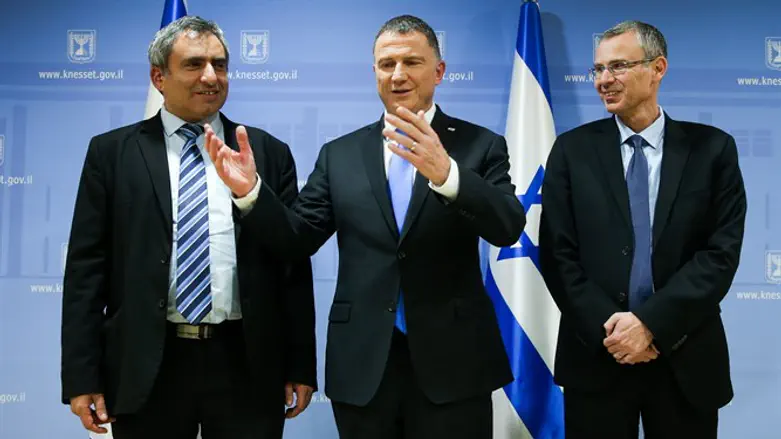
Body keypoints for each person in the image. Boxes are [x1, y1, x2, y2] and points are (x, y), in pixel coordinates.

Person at [203, 14, 524, 439]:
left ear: (439, 71)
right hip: (364, 365)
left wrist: (448, 174)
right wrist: (251, 194)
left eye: (412, 62)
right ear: (374, 72)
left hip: (455, 363)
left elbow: (507, 227)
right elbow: (297, 239)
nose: (398, 75)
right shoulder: (340, 154)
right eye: (386, 64)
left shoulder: (479, 144)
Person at [60, 16, 316, 439]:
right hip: (149, 363)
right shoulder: (111, 153)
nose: (211, 77)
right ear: (159, 77)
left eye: (220, 64)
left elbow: (292, 267)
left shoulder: (268, 153)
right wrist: (82, 376)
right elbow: (87, 271)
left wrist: (300, 365)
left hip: (247, 361)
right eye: (194, 64)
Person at [539, 20, 746, 439]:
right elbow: (558, 254)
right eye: (597, 69)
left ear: (658, 67)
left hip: (684, 355)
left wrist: (651, 325)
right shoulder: (571, 150)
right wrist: (614, 331)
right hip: (598, 355)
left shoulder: (712, 149)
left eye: (617, 67)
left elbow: (719, 253)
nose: (603, 80)